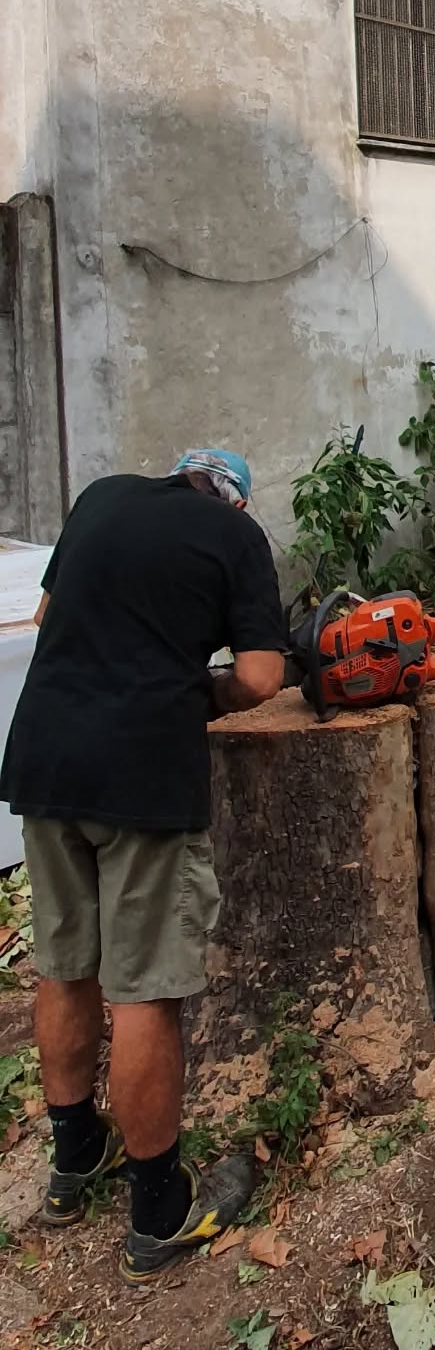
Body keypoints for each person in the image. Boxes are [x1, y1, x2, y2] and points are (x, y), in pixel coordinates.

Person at [0, 449, 288, 1283]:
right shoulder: (236, 537)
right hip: (141, 780)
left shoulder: (100, 497)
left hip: (45, 764)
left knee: (63, 968)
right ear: (233, 500)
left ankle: (71, 1161)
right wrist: (205, 693)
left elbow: (49, 617)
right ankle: (158, 1211)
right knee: (144, 992)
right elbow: (265, 676)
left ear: (174, 476)